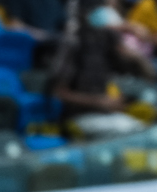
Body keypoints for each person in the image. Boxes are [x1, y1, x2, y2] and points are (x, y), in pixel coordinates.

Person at [49, 2, 149, 138]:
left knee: (148, 125)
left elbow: (139, 71)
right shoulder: (72, 43)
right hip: (78, 117)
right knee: (132, 131)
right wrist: (98, 102)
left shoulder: (105, 39)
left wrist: (139, 59)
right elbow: (58, 92)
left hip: (106, 114)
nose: (100, 12)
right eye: (93, 8)